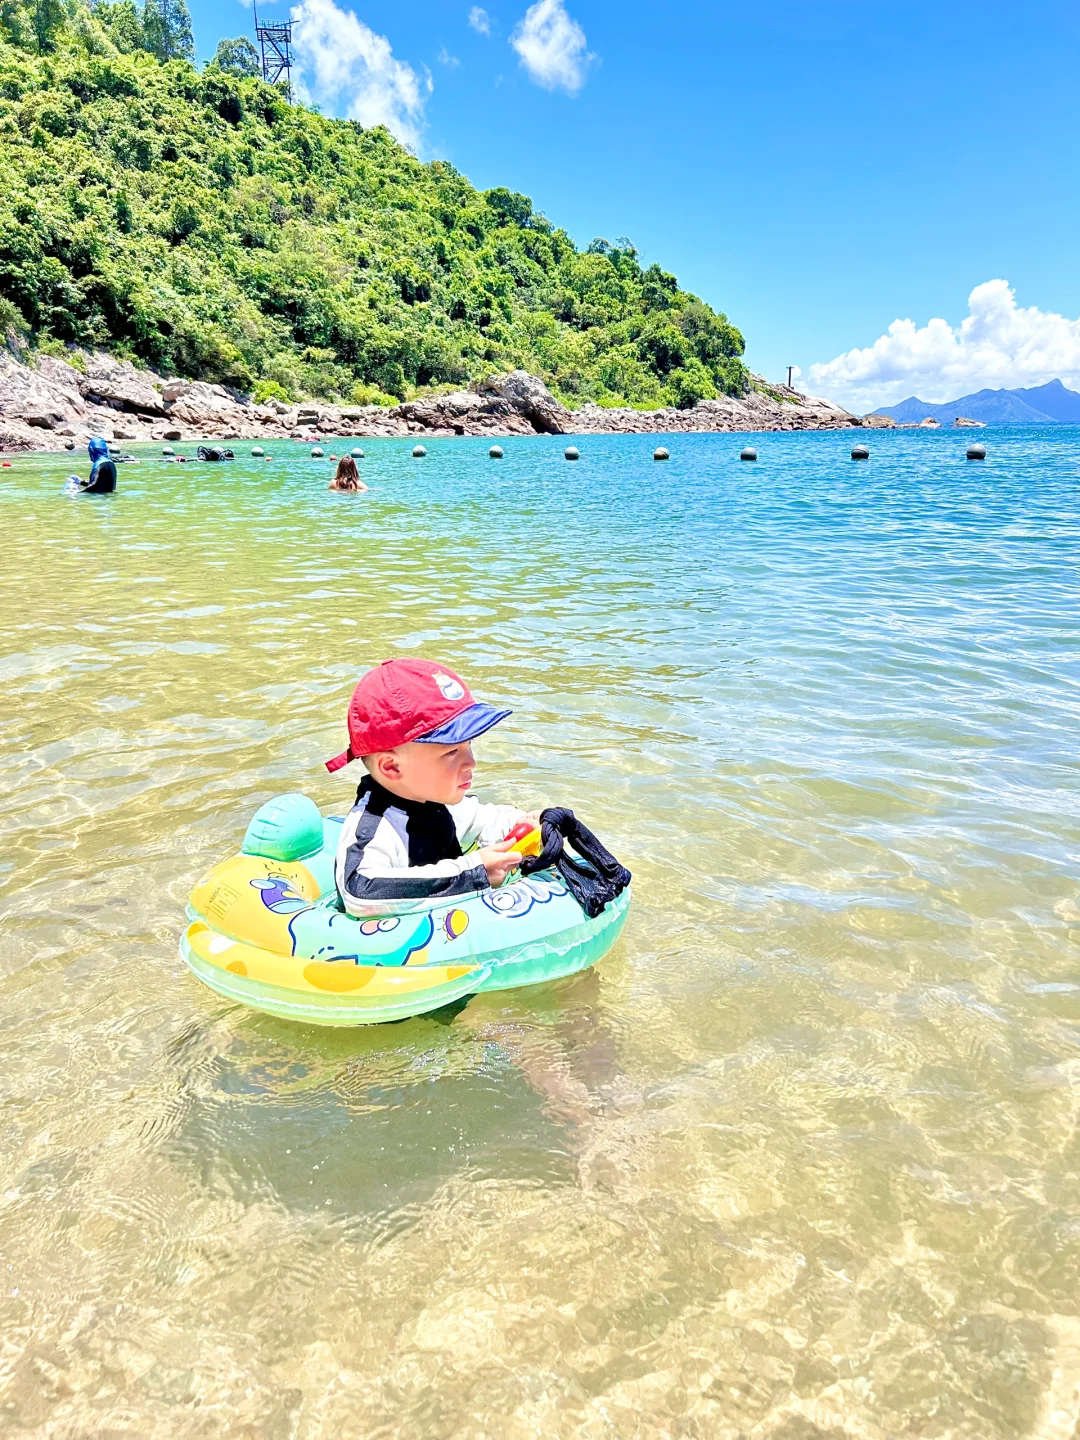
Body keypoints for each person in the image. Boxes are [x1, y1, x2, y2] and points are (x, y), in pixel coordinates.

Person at [325, 658, 539, 916]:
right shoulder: (373, 828)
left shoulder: (433, 801)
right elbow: (359, 891)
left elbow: (482, 820)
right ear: (391, 767)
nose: (471, 762)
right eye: (451, 752)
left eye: (469, 745)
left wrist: (526, 823)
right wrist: (473, 873)